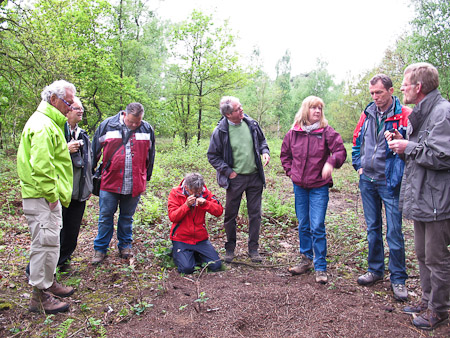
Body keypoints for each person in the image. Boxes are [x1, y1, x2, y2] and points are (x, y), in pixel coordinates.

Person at [387, 62, 450, 330]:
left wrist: (408, 146)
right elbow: (423, 151)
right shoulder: (423, 112)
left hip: (438, 201)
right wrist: (404, 142)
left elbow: (442, 155)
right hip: (422, 197)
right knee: (422, 255)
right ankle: (426, 300)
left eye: (405, 83)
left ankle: (439, 310)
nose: (401, 87)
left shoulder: (443, 113)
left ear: (418, 87)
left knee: (437, 258)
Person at [17, 80, 76, 314]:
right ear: (53, 99)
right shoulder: (42, 125)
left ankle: (49, 283)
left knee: (51, 242)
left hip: (47, 196)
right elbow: (41, 166)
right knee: (43, 243)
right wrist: (52, 195)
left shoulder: (50, 122)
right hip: (42, 196)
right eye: (68, 103)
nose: (71, 108)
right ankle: (38, 297)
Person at [352, 74, 411, 301]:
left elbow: (413, 147)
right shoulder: (367, 114)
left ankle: (398, 279)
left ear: (391, 90)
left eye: (379, 92)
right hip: (368, 180)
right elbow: (356, 140)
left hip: (391, 181)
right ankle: (375, 270)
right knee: (372, 229)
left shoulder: (405, 115)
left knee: (395, 232)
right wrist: (359, 166)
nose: (375, 97)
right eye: (372, 93)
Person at [280, 96, 346, 284]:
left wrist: (331, 162)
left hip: (319, 186)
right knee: (303, 224)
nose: (317, 111)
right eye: (313, 108)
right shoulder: (294, 132)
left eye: (319, 108)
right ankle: (306, 259)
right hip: (299, 185)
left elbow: (341, 151)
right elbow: (285, 154)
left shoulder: (326, 132)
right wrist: (291, 172)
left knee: (317, 225)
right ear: (305, 110)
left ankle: (321, 266)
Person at [207, 96, 270, 263]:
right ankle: (230, 249)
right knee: (230, 215)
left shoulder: (251, 124)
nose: (242, 110)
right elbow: (212, 156)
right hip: (235, 180)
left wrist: (265, 152)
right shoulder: (220, 131)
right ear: (228, 114)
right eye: (238, 109)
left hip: (255, 177)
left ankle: (253, 249)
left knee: (255, 214)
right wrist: (228, 172)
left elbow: (262, 141)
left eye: (241, 107)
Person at [91, 102, 155, 264]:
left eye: (137, 122)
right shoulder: (107, 125)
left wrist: (145, 176)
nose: (134, 125)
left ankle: (125, 245)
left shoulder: (147, 129)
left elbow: (150, 155)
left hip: (134, 181)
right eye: (131, 121)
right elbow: (94, 151)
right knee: (105, 216)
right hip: (109, 180)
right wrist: (90, 173)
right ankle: (100, 249)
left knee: (127, 217)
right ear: (124, 115)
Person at [58, 97, 93, 271]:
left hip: (79, 192)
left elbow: (89, 163)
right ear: (67, 110)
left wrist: (89, 187)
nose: (81, 111)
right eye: (77, 108)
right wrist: (65, 149)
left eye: (82, 109)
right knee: (55, 230)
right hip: (59, 191)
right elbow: (44, 157)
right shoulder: (56, 131)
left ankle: (64, 261)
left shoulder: (83, 135)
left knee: (72, 229)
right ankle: (48, 265)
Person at [168, 173, 223, 274]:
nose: (197, 193)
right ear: (186, 188)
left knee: (216, 265)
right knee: (186, 269)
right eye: (194, 191)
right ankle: (178, 253)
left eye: (199, 190)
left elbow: (219, 211)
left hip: (200, 238)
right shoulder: (175, 193)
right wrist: (186, 205)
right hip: (181, 238)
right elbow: (173, 217)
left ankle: (193, 255)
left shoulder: (206, 193)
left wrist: (206, 203)